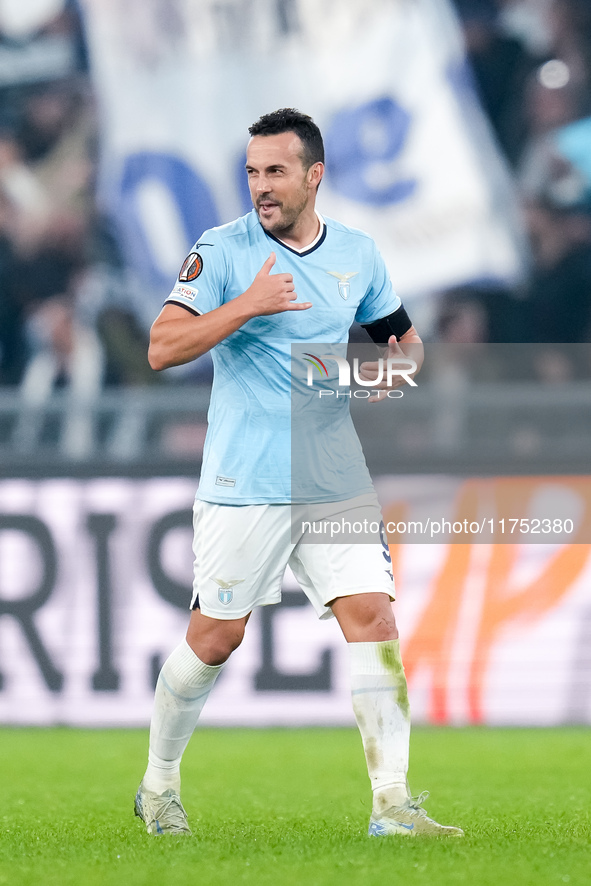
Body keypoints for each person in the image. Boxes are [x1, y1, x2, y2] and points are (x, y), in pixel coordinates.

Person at [135, 108, 463, 839]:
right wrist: (246, 305)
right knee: (216, 636)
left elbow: (404, 346)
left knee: (372, 618)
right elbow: (161, 347)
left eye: (274, 171)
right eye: (251, 172)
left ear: (314, 175)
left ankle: (392, 805)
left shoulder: (357, 253)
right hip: (245, 477)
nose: (260, 186)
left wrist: (391, 375)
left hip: (332, 475)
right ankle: (157, 786)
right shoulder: (220, 252)